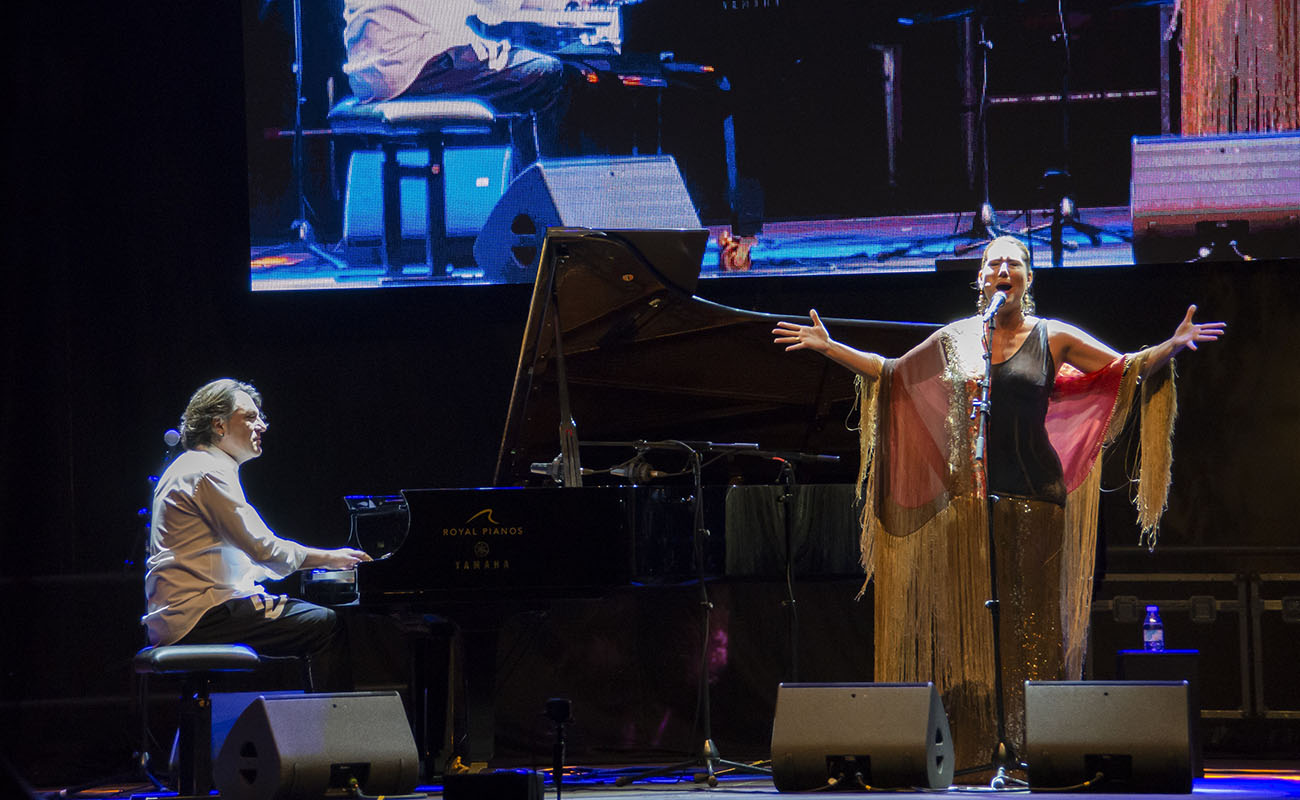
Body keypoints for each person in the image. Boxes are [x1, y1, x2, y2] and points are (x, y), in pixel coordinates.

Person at [772, 236, 1225, 773]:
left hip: (1036, 499)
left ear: (1028, 278)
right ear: (980, 279)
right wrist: (830, 348)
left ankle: (1043, 750)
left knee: (1031, 625)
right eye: (993, 264)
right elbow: (891, 372)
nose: (1003, 270)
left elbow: (1123, 369)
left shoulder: (1051, 335)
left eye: (1013, 262)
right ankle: (985, 751)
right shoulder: (958, 339)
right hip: (971, 506)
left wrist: (1171, 346)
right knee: (977, 629)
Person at [142, 379, 371, 688]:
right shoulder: (207, 471)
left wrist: (307, 566)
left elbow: (245, 561)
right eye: (250, 417)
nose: (262, 425)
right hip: (203, 615)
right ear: (219, 425)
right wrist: (331, 558)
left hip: (189, 613)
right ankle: (334, 733)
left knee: (305, 618)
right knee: (325, 624)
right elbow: (265, 549)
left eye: (261, 417)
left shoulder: (197, 467)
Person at [342, 0, 570, 159]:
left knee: (500, 63)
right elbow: (498, 6)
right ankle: (537, 206)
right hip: (411, 64)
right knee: (544, 72)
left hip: (368, 74)